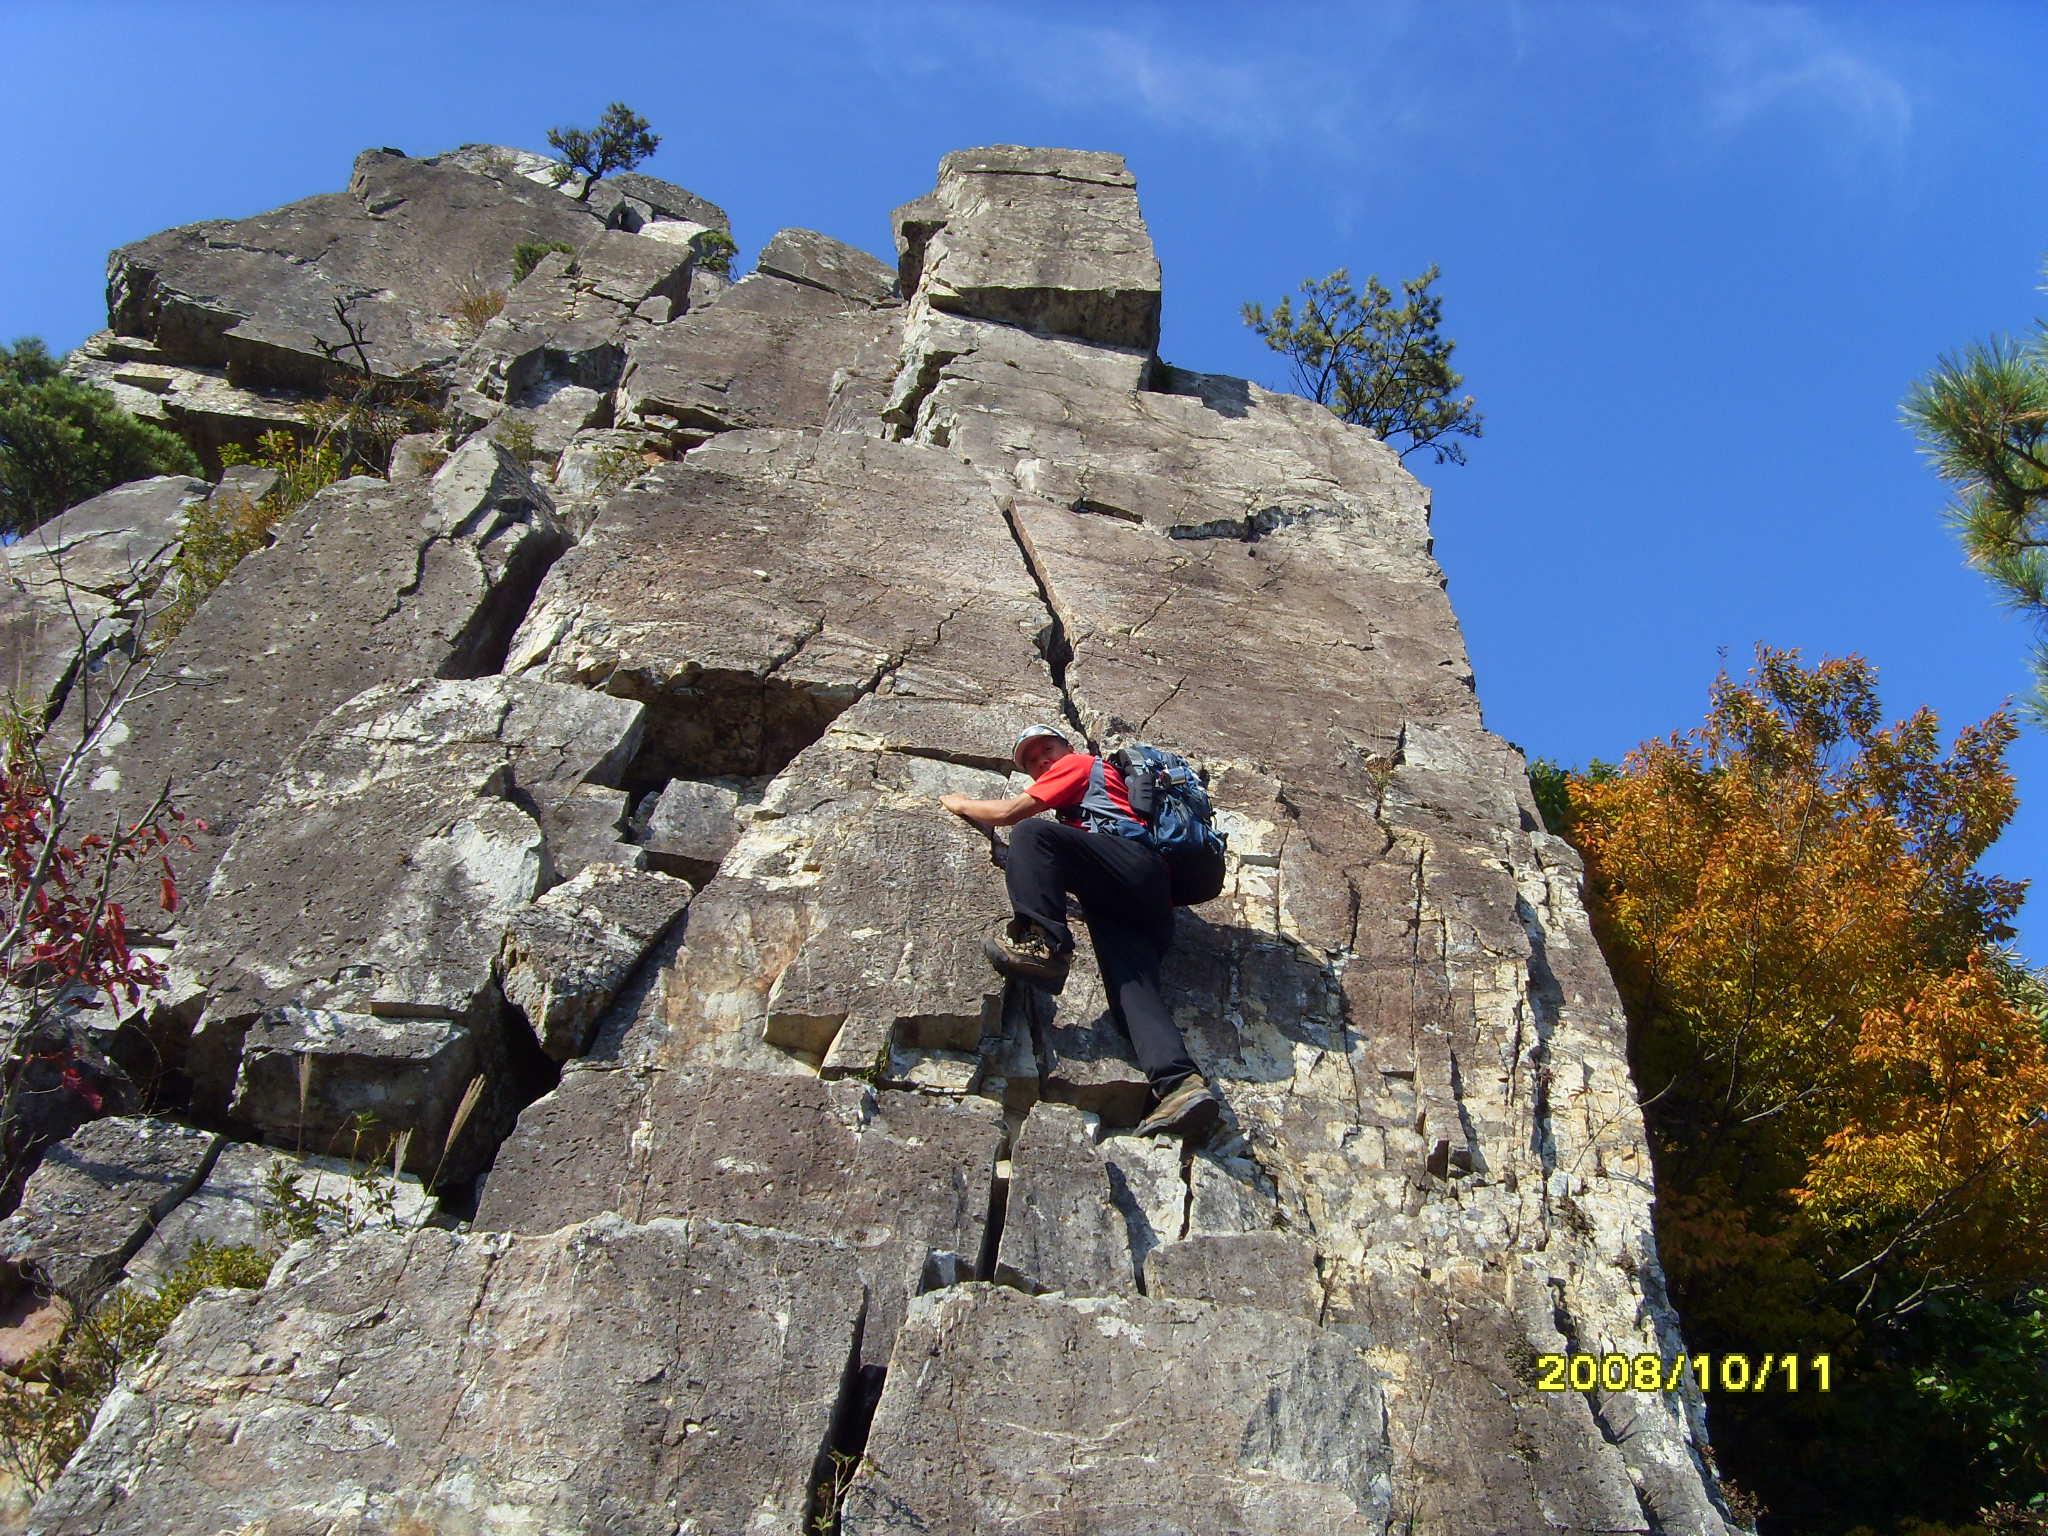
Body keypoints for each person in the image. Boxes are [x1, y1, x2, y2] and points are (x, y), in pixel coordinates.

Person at [939, 724, 1222, 1140]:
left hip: (1131, 866)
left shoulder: (1079, 765)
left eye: (1046, 750)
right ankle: (1180, 1085)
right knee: (1131, 993)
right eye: (1033, 761)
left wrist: (962, 803)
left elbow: (1009, 814)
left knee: (1032, 833)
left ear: (1067, 747)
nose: (1042, 762)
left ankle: (1043, 945)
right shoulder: (1086, 805)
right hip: (1142, 901)